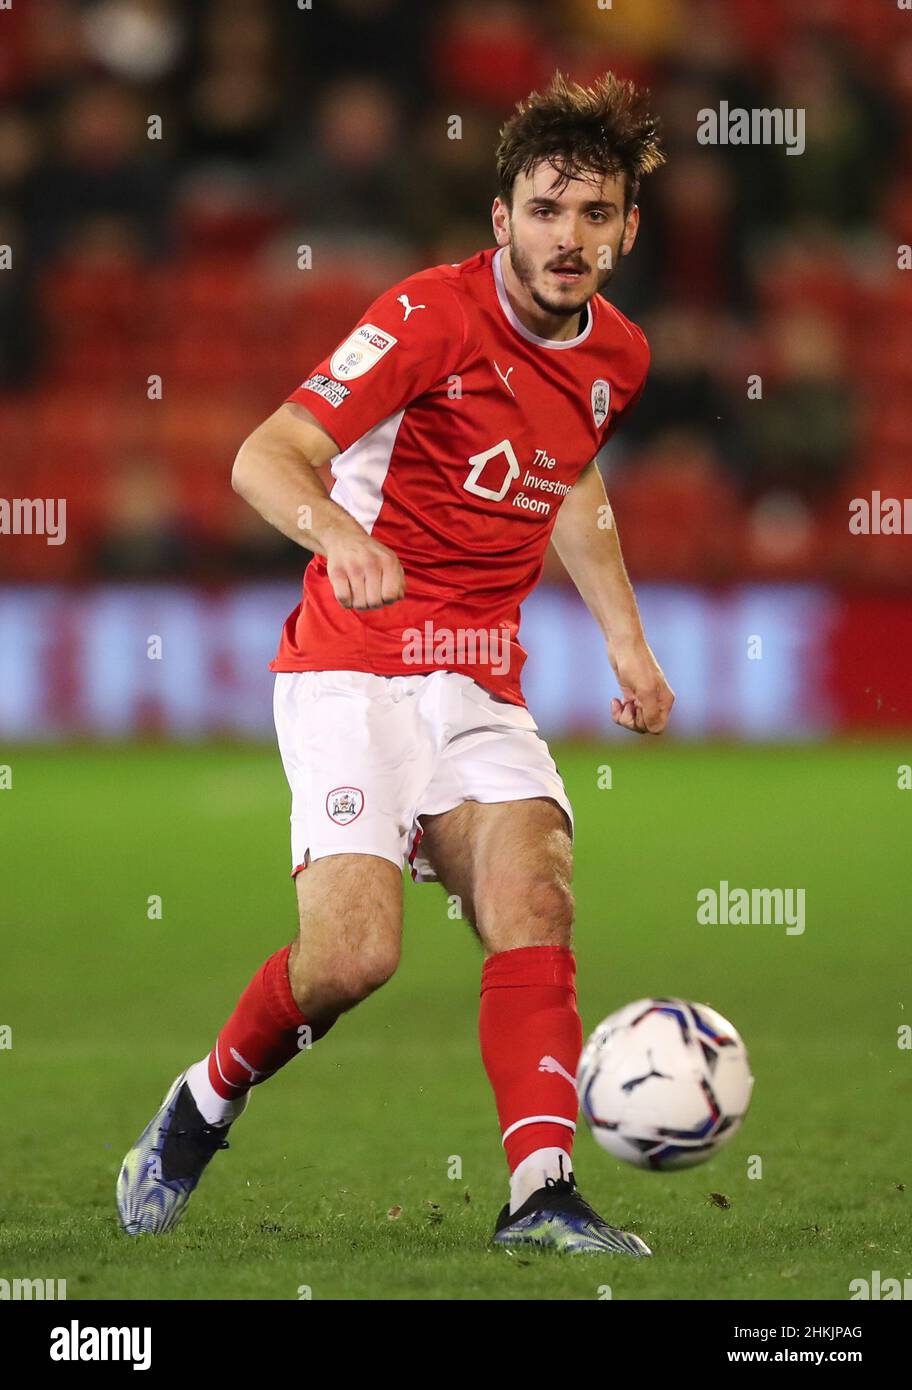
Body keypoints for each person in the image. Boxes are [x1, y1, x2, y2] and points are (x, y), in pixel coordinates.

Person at [117, 70, 675, 1255]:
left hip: (479, 676)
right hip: (353, 664)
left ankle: (540, 1193)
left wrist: (625, 635)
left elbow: (572, 474)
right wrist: (342, 535)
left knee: (538, 895)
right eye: (543, 209)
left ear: (627, 230)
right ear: (501, 219)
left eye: (592, 215)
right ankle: (205, 1098)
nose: (565, 239)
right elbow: (264, 457)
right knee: (354, 957)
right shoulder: (428, 315)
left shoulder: (620, 355)